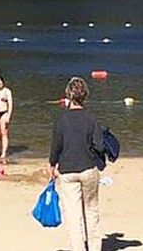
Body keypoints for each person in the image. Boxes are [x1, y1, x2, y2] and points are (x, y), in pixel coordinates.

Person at [47, 77, 105, 251]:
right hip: (88, 168)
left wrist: (52, 164)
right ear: (85, 95)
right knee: (91, 212)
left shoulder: (62, 119)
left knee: (73, 217)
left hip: (67, 171)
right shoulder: (91, 119)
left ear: (68, 95)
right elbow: (99, 146)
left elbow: (56, 146)